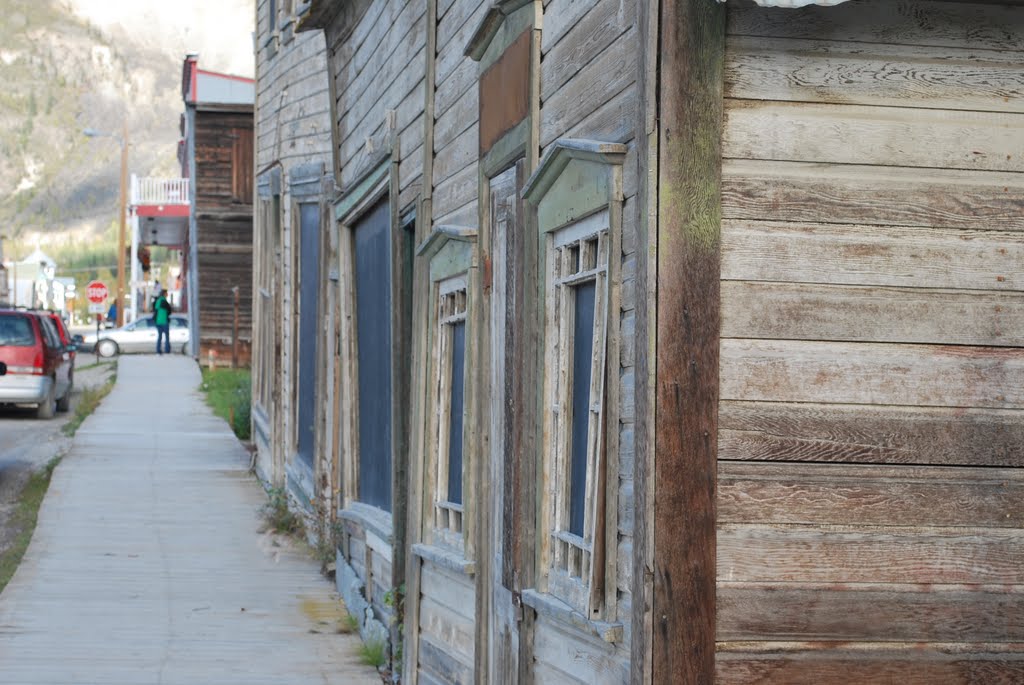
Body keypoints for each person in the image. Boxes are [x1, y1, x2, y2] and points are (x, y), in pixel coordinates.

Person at [153, 288, 173, 355]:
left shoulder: (158, 301)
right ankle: (167, 350)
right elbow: (169, 311)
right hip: (164, 321)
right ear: (164, 294)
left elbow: (155, 311)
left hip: (158, 322)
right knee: (167, 336)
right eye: (166, 293)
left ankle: (158, 350)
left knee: (159, 336)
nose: (167, 294)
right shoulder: (164, 301)